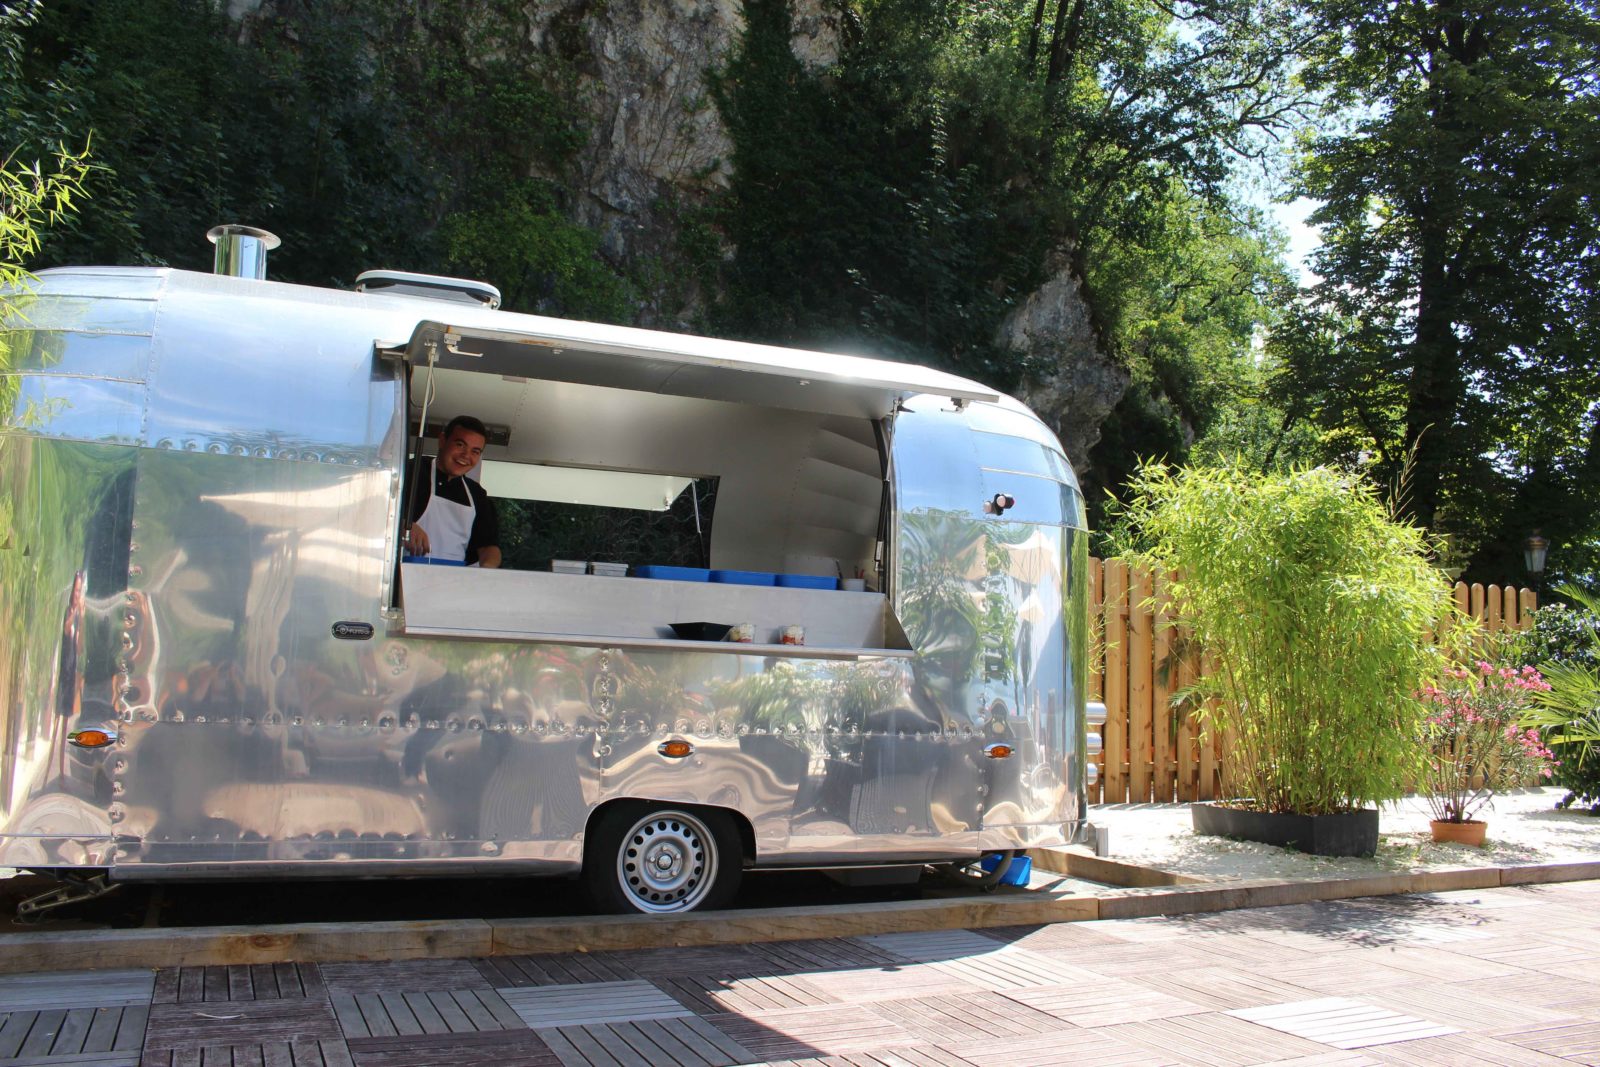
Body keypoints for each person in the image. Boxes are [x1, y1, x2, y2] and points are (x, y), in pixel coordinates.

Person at [406, 415, 502, 567]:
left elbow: (489, 547)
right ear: (442, 441)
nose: (466, 456)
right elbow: (375, 513)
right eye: (460, 445)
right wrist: (405, 525)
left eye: (475, 451)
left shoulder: (477, 495)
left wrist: (485, 571)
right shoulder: (410, 472)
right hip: (405, 576)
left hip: (453, 581)